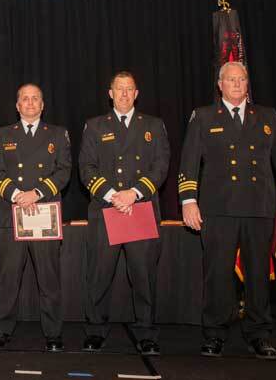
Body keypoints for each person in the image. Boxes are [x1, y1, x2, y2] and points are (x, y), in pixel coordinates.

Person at [179, 61, 276, 360]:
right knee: (217, 274)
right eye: (230, 79)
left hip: (259, 208)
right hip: (218, 209)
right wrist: (188, 200)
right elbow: (189, 160)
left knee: (258, 273)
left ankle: (259, 333)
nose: (236, 84)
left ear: (247, 84)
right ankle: (215, 333)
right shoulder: (204, 116)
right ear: (219, 84)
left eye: (241, 79)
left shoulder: (268, 116)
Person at [78, 71, 170, 356]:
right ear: (110, 93)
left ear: (136, 93)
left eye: (129, 89)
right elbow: (86, 168)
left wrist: (134, 193)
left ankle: (146, 333)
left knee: (143, 276)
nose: (124, 94)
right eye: (119, 89)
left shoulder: (153, 125)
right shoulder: (94, 126)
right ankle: (95, 330)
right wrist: (113, 195)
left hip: (139, 208)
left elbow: (161, 165)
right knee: (99, 275)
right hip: (106, 209)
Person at [0, 83, 72, 352]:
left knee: (49, 278)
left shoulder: (58, 134)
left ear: (42, 105)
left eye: (35, 98)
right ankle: (2, 330)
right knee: (8, 278)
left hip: (44, 212)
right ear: (17, 105)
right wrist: (17, 196)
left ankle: (53, 333)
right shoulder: (2, 134)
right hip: (12, 213)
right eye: (25, 98)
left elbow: (64, 171)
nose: (30, 102)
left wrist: (35, 193)